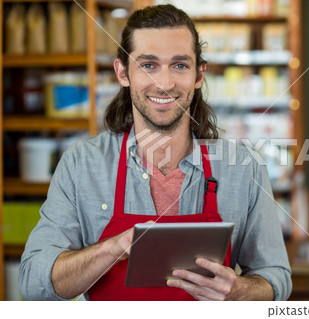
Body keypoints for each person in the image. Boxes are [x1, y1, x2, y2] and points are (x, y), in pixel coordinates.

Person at [19, 4, 292, 301]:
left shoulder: (244, 169)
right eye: (148, 65)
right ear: (123, 72)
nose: (165, 83)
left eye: (180, 65)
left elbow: (276, 277)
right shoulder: (81, 164)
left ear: (199, 75)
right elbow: (34, 283)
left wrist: (241, 291)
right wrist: (111, 249)